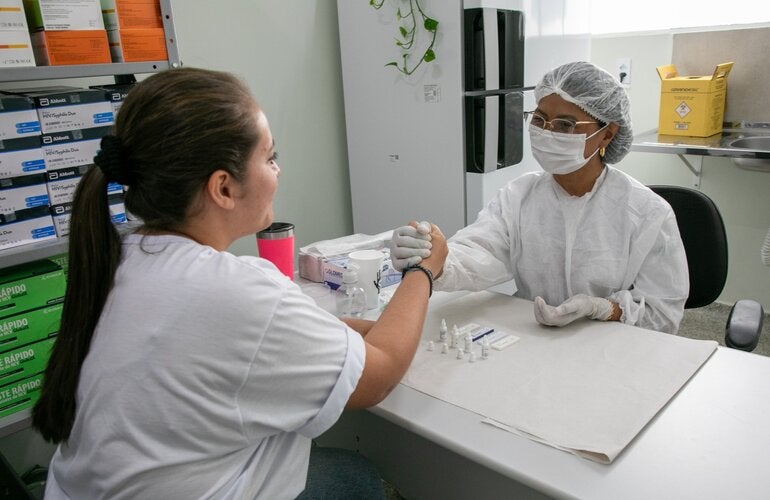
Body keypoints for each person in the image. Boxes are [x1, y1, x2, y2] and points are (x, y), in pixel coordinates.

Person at [32, 67, 448, 499]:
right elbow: (378, 377)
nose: (278, 171)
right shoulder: (236, 292)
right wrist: (423, 271)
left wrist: (363, 332)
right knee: (353, 478)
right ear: (223, 188)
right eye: (269, 158)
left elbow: (251, 338)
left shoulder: (122, 258)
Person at [391, 61, 688, 334]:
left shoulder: (646, 212)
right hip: (532, 333)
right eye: (540, 119)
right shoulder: (519, 195)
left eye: (565, 125)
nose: (547, 132)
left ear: (607, 134)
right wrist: (439, 258)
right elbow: (483, 252)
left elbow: (663, 312)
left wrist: (603, 308)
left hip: (610, 342)